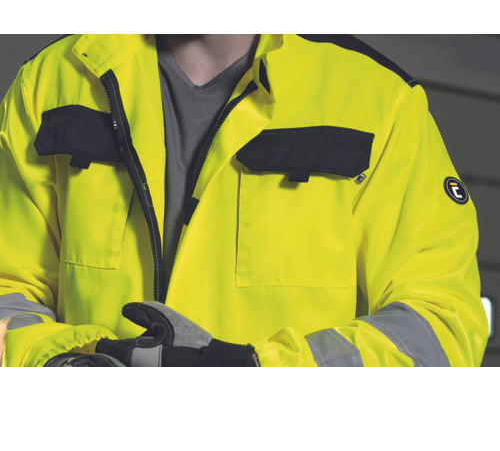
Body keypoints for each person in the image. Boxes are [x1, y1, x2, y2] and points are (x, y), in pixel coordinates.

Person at [0, 34, 489, 367]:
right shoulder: (50, 82)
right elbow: (9, 288)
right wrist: (67, 363)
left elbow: (439, 324)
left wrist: (256, 372)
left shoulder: (379, 99)